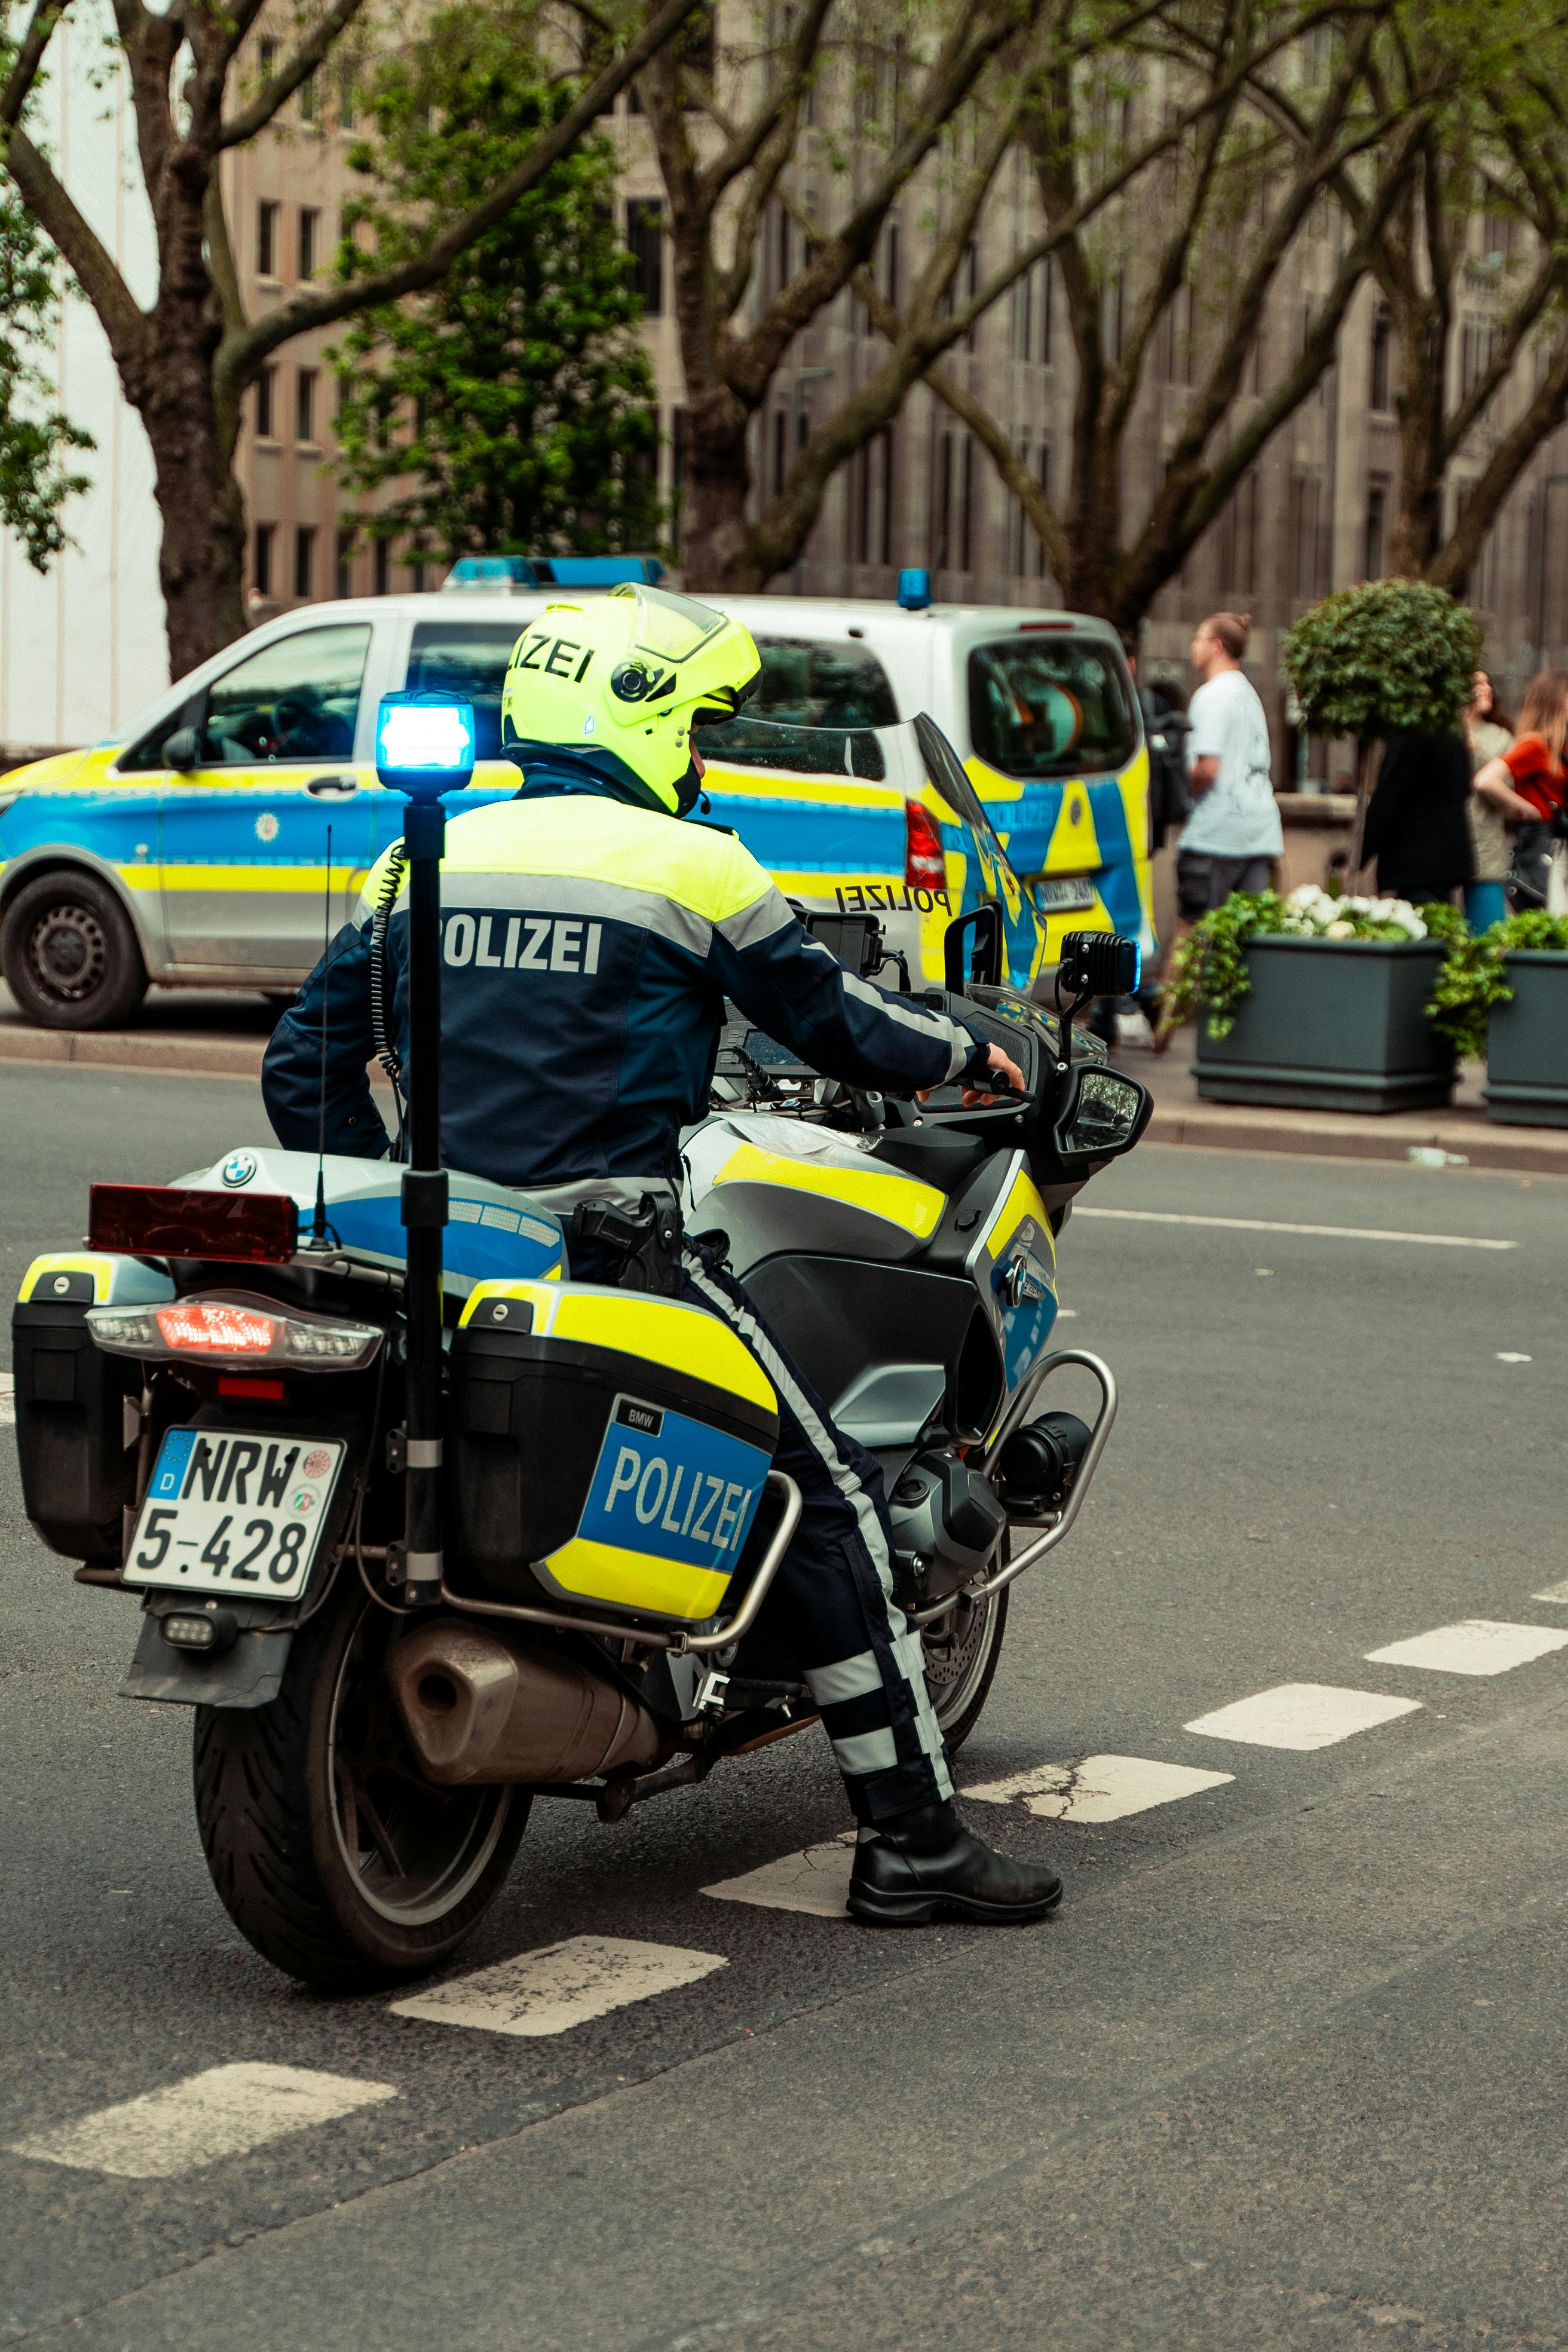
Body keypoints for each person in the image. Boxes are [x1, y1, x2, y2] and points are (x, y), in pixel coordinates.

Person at [262, 583, 1062, 1928]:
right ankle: (911, 1841)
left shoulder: (423, 851)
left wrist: (390, 1197)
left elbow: (306, 1061)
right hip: (610, 1250)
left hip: (437, 1252)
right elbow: (834, 1021)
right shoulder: (690, 865)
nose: (698, 759)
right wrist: (964, 1055)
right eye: (692, 726)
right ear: (635, 718)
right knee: (824, 1503)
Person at [1153, 611, 1280, 1049]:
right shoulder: (1249, 694)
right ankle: (1246, 1036)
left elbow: (1206, 766)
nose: (1193, 646)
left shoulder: (1211, 697)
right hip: (1259, 830)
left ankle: (1165, 1031)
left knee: (1190, 933)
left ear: (1218, 647)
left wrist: (1174, 792)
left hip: (1215, 832)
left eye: (1199, 638)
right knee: (1249, 940)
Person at [1473, 669, 1568, 911]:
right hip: (1543, 848)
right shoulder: (1536, 745)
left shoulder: (1560, 747)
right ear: (1556, 701)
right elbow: (1485, 780)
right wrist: (1529, 809)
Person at [1360, 727, 1474, 906]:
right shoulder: (1451, 727)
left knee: (1421, 925)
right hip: (1441, 858)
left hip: (1417, 861)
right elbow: (1465, 786)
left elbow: (1389, 796)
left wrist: (1359, 857)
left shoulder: (1412, 730)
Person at [1463, 671, 1514, 932]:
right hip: (1442, 849)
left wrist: (1473, 747)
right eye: (1477, 683)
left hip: (1485, 852)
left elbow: (1507, 788)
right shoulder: (1440, 733)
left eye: (1488, 683)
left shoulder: (1501, 737)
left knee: (1487, 938)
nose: (1486, 688)